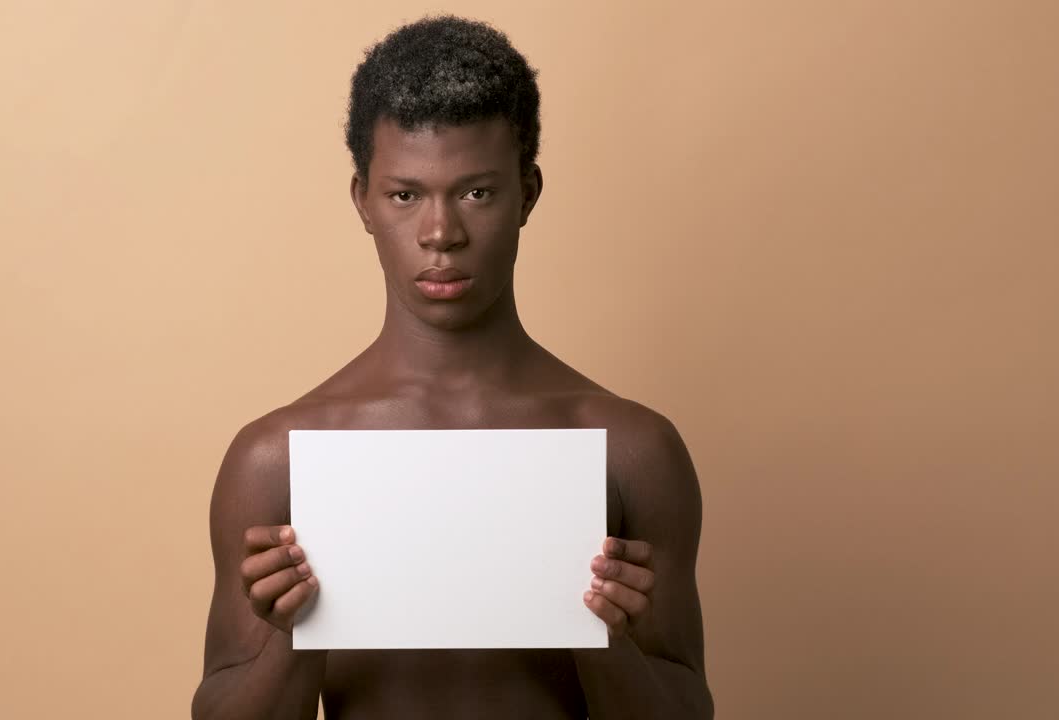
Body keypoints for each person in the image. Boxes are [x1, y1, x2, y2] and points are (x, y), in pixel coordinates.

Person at [191, 15, 712, 720]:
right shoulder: (276, 459)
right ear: (363, 202)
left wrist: (596, 635)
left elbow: (686, 710)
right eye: (406, 195)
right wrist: (299, 632)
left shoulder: (631, 450)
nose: (441, 235)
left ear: (527, 194)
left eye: (477, 192)